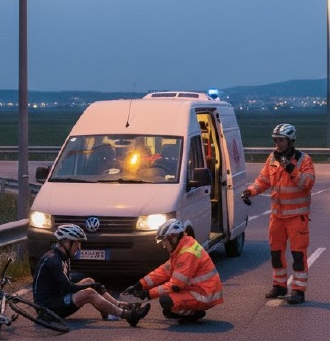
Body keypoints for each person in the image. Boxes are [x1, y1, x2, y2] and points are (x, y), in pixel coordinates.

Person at [241, 123, 315, 304]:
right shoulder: (272, 159)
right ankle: (279, 286)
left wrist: (292, 170)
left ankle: (298, 290)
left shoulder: (303, 160)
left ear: (290, 141)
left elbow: (307, 183)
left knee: (298, 255)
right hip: (277, 216)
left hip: (297, 217)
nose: (277, 144)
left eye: (281, 140)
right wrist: (250, 191)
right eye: (276, 140)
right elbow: (263, 180)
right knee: (276, 253)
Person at [33, 224, 150, 326]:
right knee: (89, 292)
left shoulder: (63, 257)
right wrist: (91, 287)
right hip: (47, 309)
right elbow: (67, 288)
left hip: (57, 298)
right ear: (66, 242)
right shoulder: (53, 261)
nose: (79, 247)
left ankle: (118, 306)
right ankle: (128, 315)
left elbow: (66, 286)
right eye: (77, 243)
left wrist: (91, 284)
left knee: (89, 280)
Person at [123, 219, 223, 324]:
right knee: (169, 310)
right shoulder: (182, 248)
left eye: (164, 241)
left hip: (204, 294)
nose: (164, 245)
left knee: (166, 300)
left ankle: (195, 313)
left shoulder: (187, 253)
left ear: (172, 238)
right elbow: (163, 271)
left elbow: (175, 285)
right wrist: (140, 285)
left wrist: (148, 294)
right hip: (199, 290)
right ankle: (189, 310)